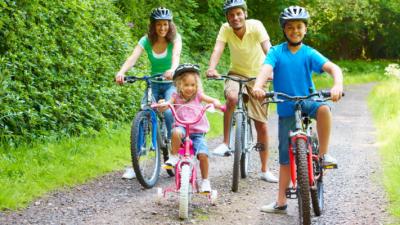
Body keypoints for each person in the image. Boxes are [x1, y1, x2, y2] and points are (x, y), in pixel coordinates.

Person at [252, 6, 343, 213]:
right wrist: (258, 86)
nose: (295, 30)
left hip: (308, 100)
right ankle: (281, 202)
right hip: (286, 106)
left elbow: (333, 68)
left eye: (299, 26)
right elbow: (266, 69)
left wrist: (337, 85)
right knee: (285, 158)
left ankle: (323, 154)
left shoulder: (309, 52)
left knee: (323, 109)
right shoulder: (276, 52)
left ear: (305, 29)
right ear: (284, 30)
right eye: (290, 27)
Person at [206, 0, 277, 182]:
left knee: (260, 124)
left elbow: (268, 49)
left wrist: (272, 71)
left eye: (238, 13)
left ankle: (264, 169)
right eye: (231, 15)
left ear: (245, 13)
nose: (235, 17)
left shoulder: (256, 26)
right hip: (236, 73)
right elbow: (218, 49)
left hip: (259, 77)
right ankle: (225, 143)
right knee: (231, 97)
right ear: (227, 18)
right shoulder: (225, 29)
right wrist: (212, 68)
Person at [115, 7, 182, 179]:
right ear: (153, 26)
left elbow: (176, 57)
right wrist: (121, 71)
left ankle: (173, 152)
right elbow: (133, 57)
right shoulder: (146, 40)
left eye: (165, 24)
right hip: (153, 83)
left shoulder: (175, 39)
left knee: (167, 112)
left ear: (169, 25)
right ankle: (135, 163)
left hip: (169, 84)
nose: (162, 28)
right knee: (143, 113)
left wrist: (173, 69)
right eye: (158, 24)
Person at [160, 63, 222, 193]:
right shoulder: (175, 96)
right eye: (186, 85)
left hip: (197, 132)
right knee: (175, 132)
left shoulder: (198, 95)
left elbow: (210, 99)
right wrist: (163, 104)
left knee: (203, 155)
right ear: (179, 85)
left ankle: (205, 181)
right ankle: (174, 156)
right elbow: (167, 105)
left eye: (192, 85)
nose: (189, 88)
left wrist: (215, 102)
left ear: (196, 86)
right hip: (182, 127)